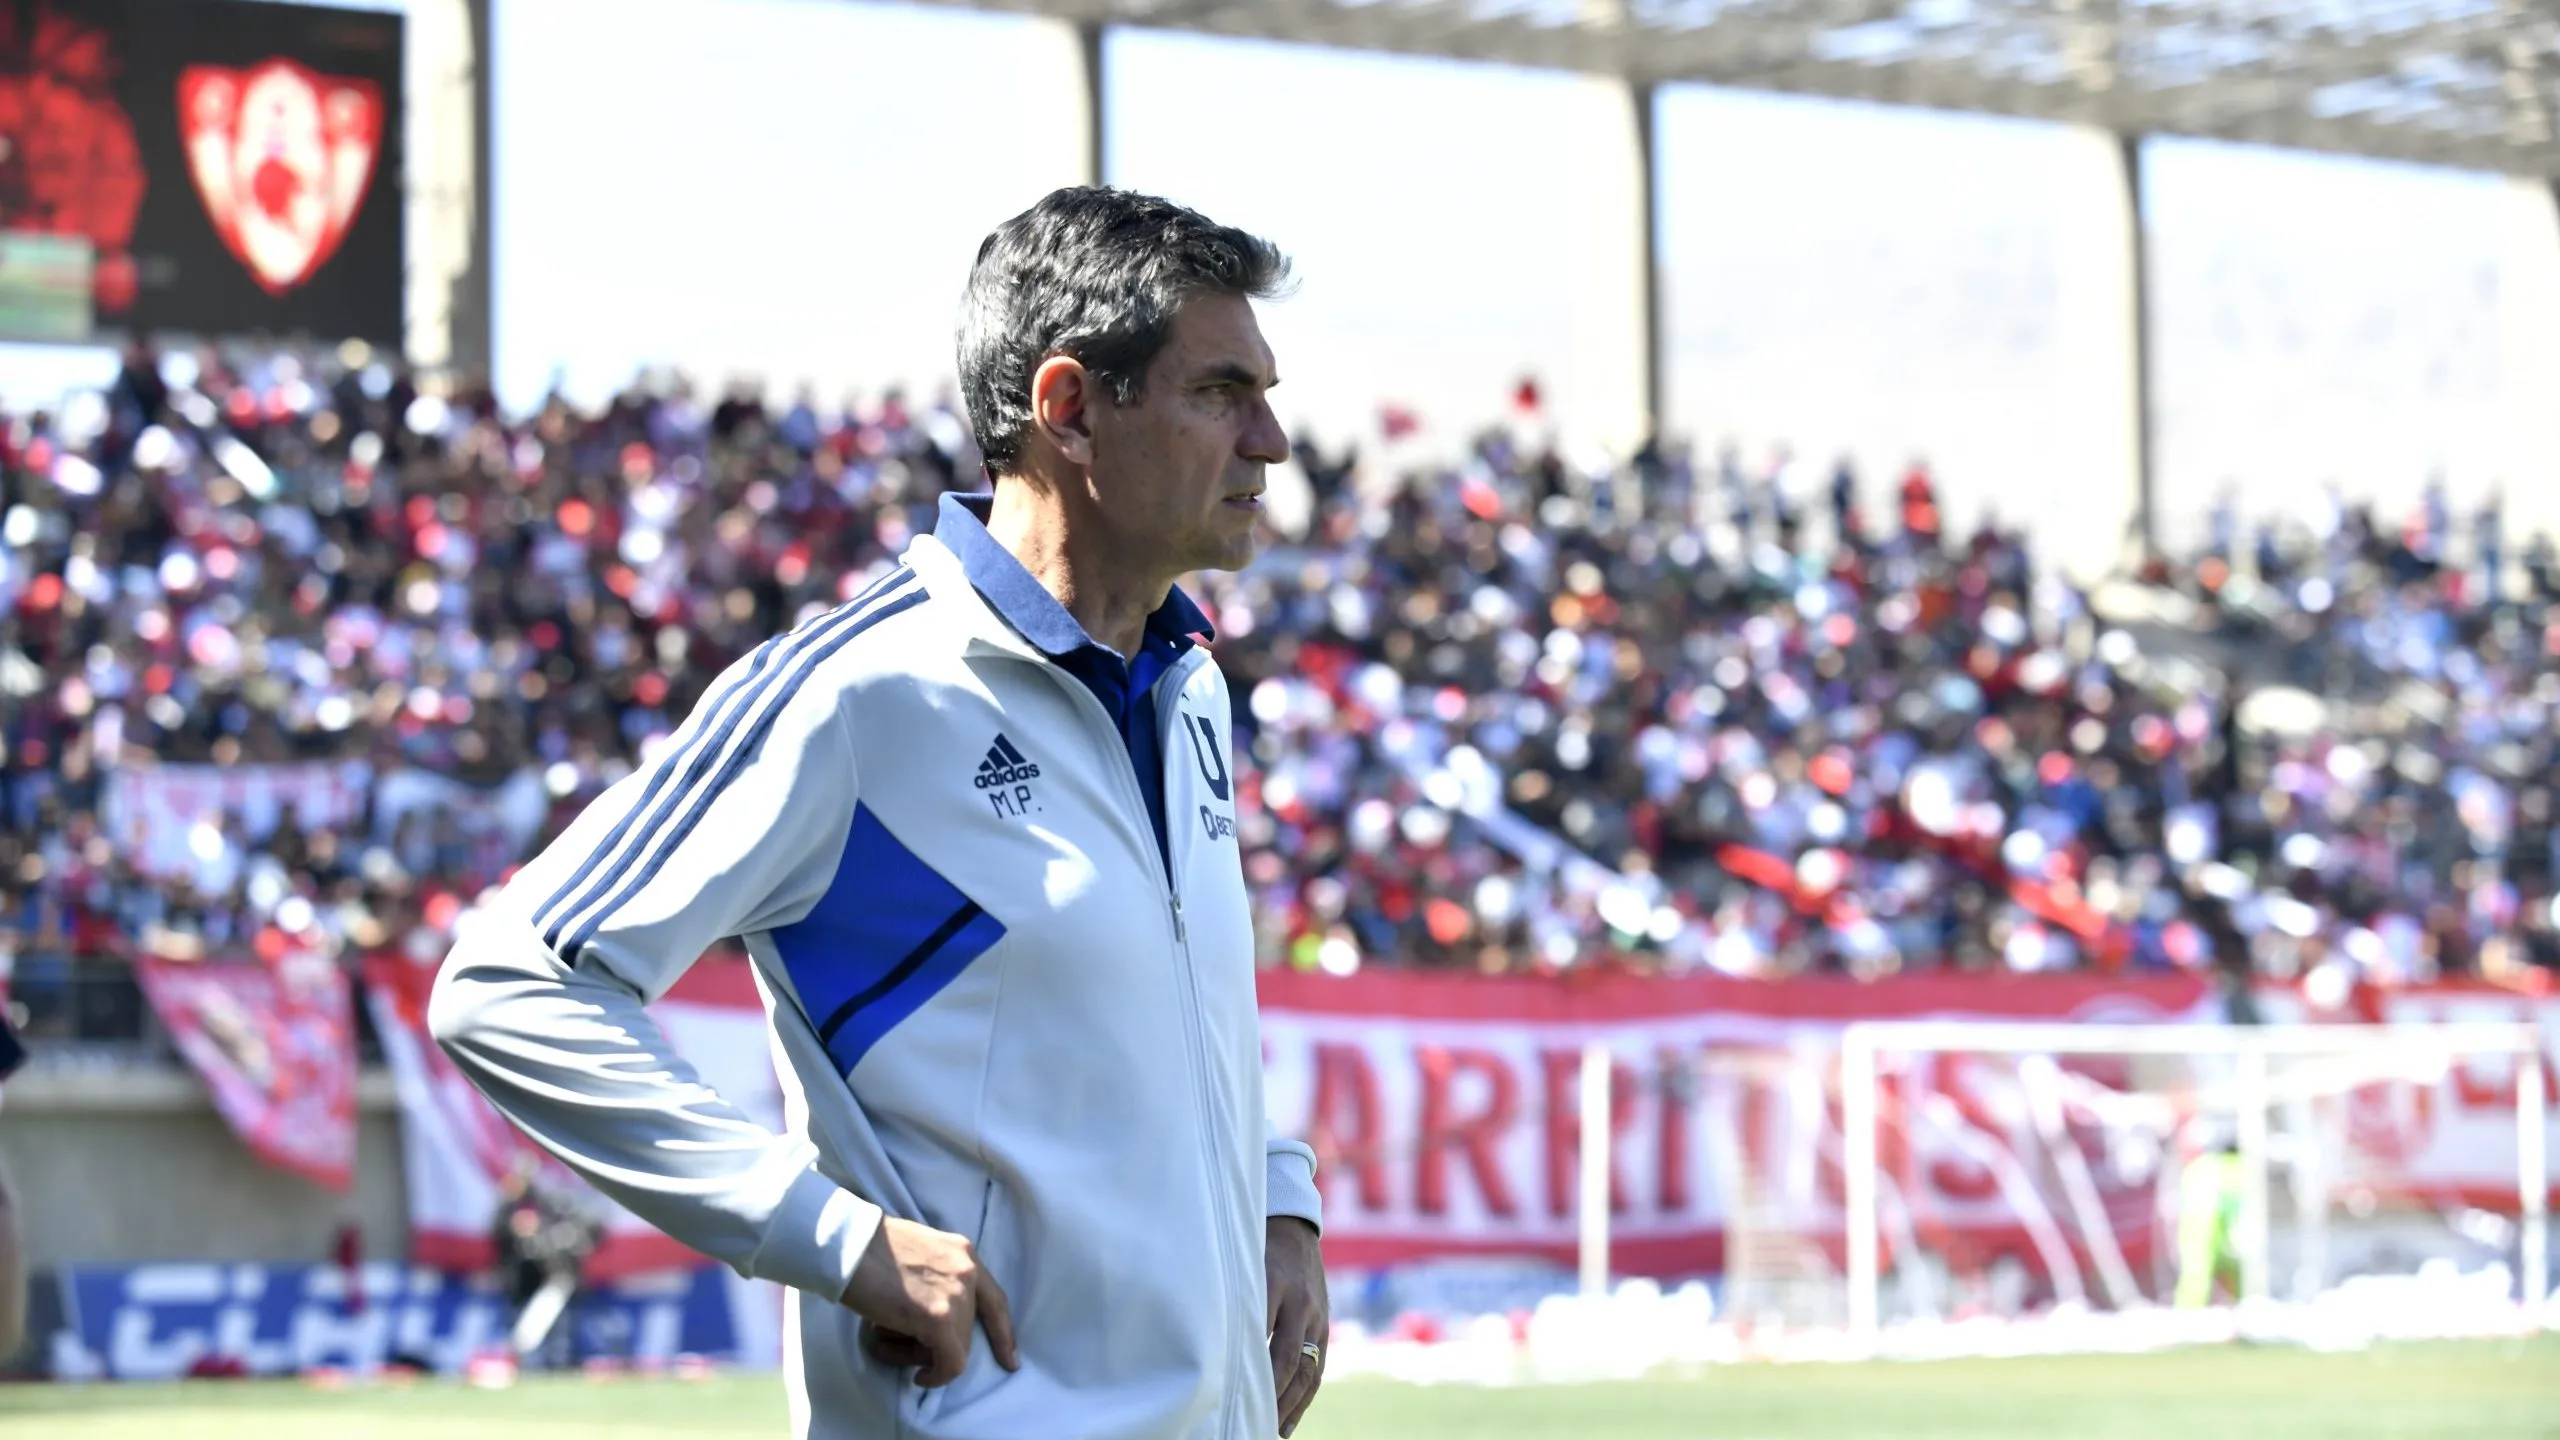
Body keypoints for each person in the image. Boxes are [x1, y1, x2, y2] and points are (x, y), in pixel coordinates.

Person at [432, 186, 1328, 1439]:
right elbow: (507, 983)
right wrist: (830, 1237)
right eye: (1221, 393)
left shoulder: (1187, 691)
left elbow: (1175, 1017)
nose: (1272, 442)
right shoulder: (859, 696)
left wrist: (1276, 1198)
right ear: (1069, 408)